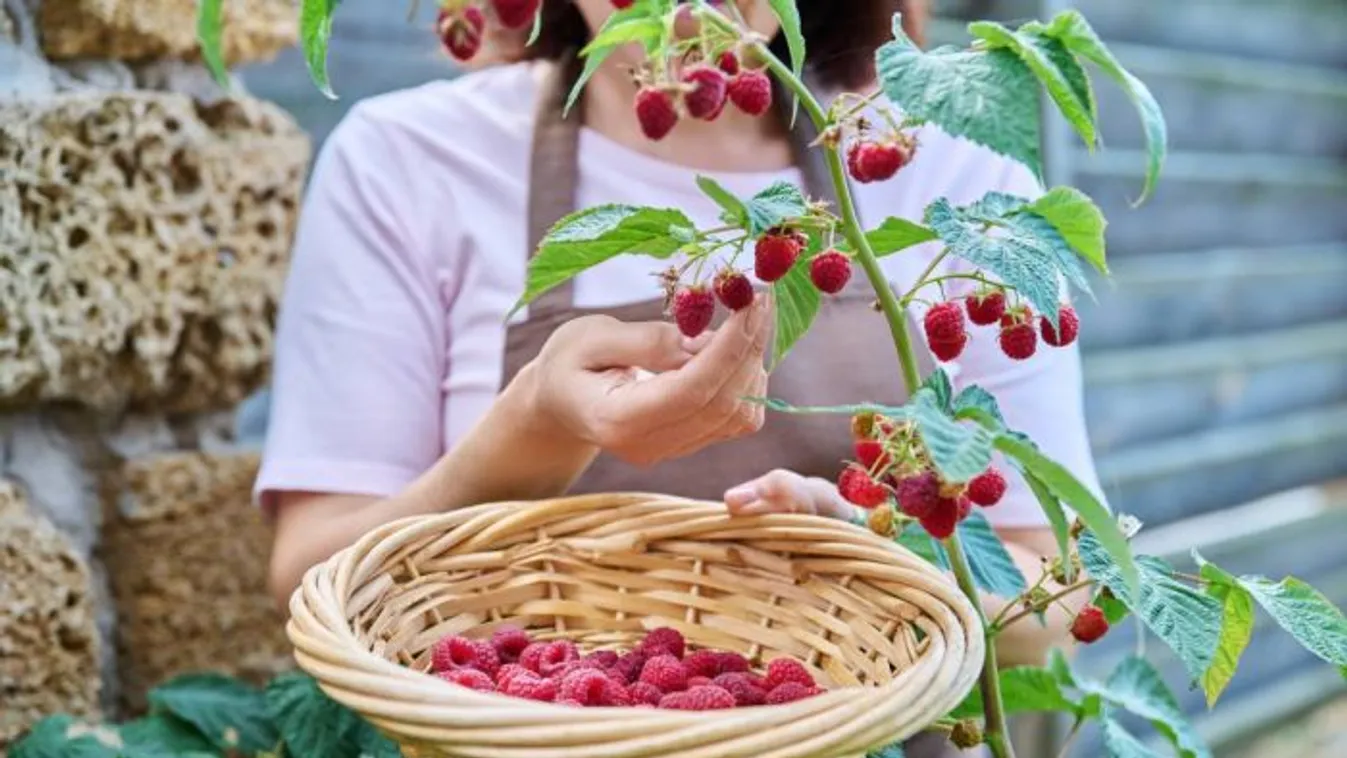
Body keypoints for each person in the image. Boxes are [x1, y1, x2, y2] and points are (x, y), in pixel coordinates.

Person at [257, 1, 1101, 752]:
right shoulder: (410, 159)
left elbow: (1055, 599)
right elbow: (312, 576)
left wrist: (869, 546)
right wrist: (535, 425)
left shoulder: (958, 177)